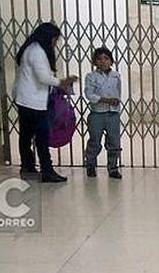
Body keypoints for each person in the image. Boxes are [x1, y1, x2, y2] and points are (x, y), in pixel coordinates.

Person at [12, 22, 76, 183]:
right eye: (55, 39)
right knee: (42, 135)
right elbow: (43, 78)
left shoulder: (31, 48)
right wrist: (62, 82)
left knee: (26, 135)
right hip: (33, 101)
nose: (55, 43)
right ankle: (46, 170)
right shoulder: (37, 52)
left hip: (26, 98)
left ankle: (27, 167)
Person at [83, 46, 123, 179]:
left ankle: (113, 168)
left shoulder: (116, 76)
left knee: (114, 141)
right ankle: (90, 165)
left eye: (106, 58)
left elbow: (118, 92)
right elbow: (89, 94)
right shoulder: (91, 77)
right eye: (99, 59)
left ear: (111, 61)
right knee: (94, 141)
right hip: (97, 114)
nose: (103, 61)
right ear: (94, 62)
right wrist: (106, 100)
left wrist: (115, 102)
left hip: (113, 114)